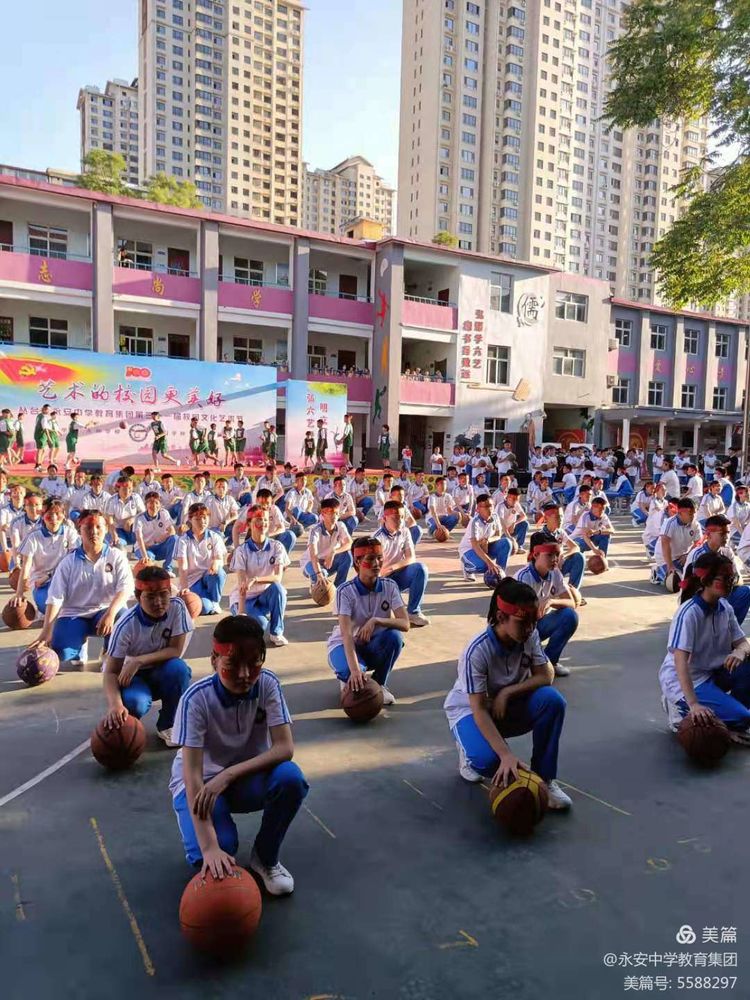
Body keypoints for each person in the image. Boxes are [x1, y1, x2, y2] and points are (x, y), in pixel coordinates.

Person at [169, 615, 308, 892]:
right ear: (214, 660)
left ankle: (265, 858)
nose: (245, 674)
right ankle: (208, 844)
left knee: (290, 778)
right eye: (233, 664)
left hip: (243, 779)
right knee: (215, 856)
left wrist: (229, 775)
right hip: (202, 786)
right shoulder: (195, 700)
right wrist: (210, 848)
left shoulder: (267, 684)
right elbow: (193, 776)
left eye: (253, 663)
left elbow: (285, 747)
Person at [443, 577, 571, 808]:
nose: (532, 628)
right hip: (471, 711)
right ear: (501, 617)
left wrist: (507, 692)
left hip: (505, 705)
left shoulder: (528, 635)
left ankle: (545, 779)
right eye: (524, 622)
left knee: (552, 701)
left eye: (534, 621)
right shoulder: (477, 651)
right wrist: (506, 754)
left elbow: (546, 676)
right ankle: (468, 750)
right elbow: (479, 709)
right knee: (489, 762)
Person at [658, 551, 750, 744]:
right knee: (742, 718)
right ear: (706, 579)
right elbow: (680, 660)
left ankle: (733, 717)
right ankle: (680, 708)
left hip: (712, 672)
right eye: (723, 577)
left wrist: (739, 651)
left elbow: (742, 642)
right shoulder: (689, 613)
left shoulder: (724, 607)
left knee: (747, 663)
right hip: (687, 680)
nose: (729, 582)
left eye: (731, 577)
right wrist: (693, 704)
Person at [102, 566, 193, 747]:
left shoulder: (177, 607)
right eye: (150, 597)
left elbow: (175, 650)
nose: (158, 602)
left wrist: (139, 659)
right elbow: (110, 672)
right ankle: (129, 728)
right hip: (134, 676)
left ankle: (169, 724)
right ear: (138, 597)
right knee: (136, 703)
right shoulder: (125, 626)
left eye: (163, 594)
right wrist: (115, 705)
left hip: (162, 669)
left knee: (179, 669)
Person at [30, 510, 133, 665]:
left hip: (105, 610)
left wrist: (111, 613)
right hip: (75, 613)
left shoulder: (116, 556)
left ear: (106, 529)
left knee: (123, 619)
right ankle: (79, 647)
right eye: (89, 527)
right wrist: (46, 632)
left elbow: (125, 588)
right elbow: (55, 597)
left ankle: (109, 651)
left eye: (99, 527)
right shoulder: (68, 562)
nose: (94, 532)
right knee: (61, 653)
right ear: (80, 530)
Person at [327, 536, 410, 704]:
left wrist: (376, 621)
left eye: (379, 558)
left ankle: (380, 683)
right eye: (370, 559)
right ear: (357, 562)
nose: (377, 563)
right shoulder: (345, 591)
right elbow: (346, 635)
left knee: (395, 637)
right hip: (344, 645)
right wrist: (356, 670)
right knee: (356, 679)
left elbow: (405, 623)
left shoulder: (389, 586)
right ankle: (349, 675)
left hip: (373, 644)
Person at [515, 533, 579, 677]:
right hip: (520, 628)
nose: (555, 559)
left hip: (537, 625)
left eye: (556, 554)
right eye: (549, 555)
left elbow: (572, 603)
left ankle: (550, 663)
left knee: (569, 616)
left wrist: (552, 601)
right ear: (536, 554)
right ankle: (528, 661)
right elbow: (514, 620)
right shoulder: (523, 578)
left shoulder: (555, 573)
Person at [229, 505, 290, 647]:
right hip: (246, 599)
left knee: (278, 589)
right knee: (259, 628)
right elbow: (242, 585)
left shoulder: (277, 546)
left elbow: (277, 577)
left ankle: (276, 632)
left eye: (265, 520)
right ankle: (245, 616)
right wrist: (242, 613)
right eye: (257, 520)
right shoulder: (241, 551)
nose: (262, 524)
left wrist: (256, 579)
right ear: (249, 524)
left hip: (264, 596)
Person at [12, 499, 79, 615]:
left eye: (57, 513)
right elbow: (26, 567)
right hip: (41, 583)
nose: (53, 518)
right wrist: (19, 593)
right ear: (43, 516)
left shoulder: (70, 533)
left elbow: (72, 563)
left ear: (64, 515)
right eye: (49, 514)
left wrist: (49, 575)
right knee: (50, 606)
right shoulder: (33, 537)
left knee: (74, 605)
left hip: (65, 579)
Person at [683, 515, 750, 624]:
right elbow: (691, 588)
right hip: (699, 597)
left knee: (745, 591)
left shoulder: (727, 551)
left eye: (727, 533)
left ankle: (730, 630)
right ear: (708, 534)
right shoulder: (697, 555)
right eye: (722, 534)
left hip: (720, 592)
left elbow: (738, 578)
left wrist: (728, 582)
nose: (726, 537)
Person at [374, 500, 430, 626]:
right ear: (384, 518)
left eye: (402, 517)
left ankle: (413, 612)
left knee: (420, 569)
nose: (399, 521)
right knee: (381, 619)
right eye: (395, 518)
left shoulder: (405, 531)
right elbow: (373, 570)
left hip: (397, 574)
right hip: (381, 580)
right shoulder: (376, 538)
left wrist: (393, 567)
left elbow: (411, 558)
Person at [176, 503, 227, 616]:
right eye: (197, 519)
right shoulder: (183, 540)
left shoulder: (214, 537)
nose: (202, 521)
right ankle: (208, 602)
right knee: (202, 608)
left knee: (219, 572)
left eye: (204, 518)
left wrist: (215, 562)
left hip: (207, 576)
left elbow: (220, 558)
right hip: (192, 581)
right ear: (190, 519)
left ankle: (215, 601)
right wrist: (184, 587)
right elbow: (182, 566)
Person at [538, 502, 586, 598]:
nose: (561, 520)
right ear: (547, 518)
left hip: (560, 565)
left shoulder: (560, 532)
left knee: (579, 556)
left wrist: (564, 555)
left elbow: (575, 547)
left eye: (562, 516)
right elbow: (539, 562)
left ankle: (573, 591)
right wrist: (554, 563)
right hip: (548, 570)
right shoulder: (540, 536)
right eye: (557, 517)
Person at [652, 497, 701, 585]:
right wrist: (670, 566)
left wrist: (687, 555)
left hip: (683, 557)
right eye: (690, 513)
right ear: (681, 512)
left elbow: (698, 543)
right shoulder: (669, 523)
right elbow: (665, 544)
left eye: (695, 513)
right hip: (666, 558)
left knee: (698, 578)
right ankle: (657, 572)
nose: (693, 516)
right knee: (675, 583)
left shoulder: (695, 524)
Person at [134, 492, 178, 575]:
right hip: (145, 548)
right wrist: (145, 556)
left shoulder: (164, 513)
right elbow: (139, 538)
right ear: (146, 504)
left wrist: (158, 540)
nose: (154, 505)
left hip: (160, 547)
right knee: (148, 564)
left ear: (160, 504)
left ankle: (168, 569)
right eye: (150, 503)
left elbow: (172, 531)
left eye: (156, 503)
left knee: (174, 538)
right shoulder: (139, 518)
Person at [106, 477, 146, 549]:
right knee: (119, 545)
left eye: (130, 488)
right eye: (124, 489)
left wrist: (132, 520)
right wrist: (114, 535)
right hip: (118, 529)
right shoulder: (112, 500)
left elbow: (143, 513)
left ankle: (137, 548)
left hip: (133, 528)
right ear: (118, 488)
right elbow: (110, 520)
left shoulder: (136, 497)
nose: (127, 491)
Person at [33, 404, 52, 471]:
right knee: (40, 450)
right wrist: (49, 438)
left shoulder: (39, 415)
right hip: (41, 435)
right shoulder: (43, 417)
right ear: (44, 409)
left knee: (43, 450)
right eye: (48, 410)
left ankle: (39, 464)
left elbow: (46, 426)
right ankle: (37, 466)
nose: (49, 411)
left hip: (39, 435)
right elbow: (45, 428)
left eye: (49, 410)